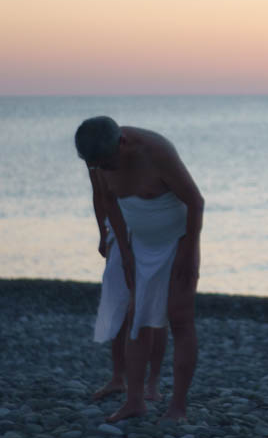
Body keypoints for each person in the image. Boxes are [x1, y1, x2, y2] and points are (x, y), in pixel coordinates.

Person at [75, 117, 203, 422]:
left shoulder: (156, 152)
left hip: (176, 240)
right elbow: (108, 201)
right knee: (136, 317)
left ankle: (178, 406)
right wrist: (123, 249)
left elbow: (196, 202)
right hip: (136, 239)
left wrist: (188, 251)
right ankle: (134, 400)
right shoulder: (98, 159)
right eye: (98, 166)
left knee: (180, 319)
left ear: (122, 143)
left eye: (108, 163)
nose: (103, 170)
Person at [90, 215, 170, 404]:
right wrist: (104, 234)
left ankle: (152, 383)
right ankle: (118, 377)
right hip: (119, 230)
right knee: (118, 302)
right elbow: (101, 196)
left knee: (155, 307)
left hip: (153, 227)